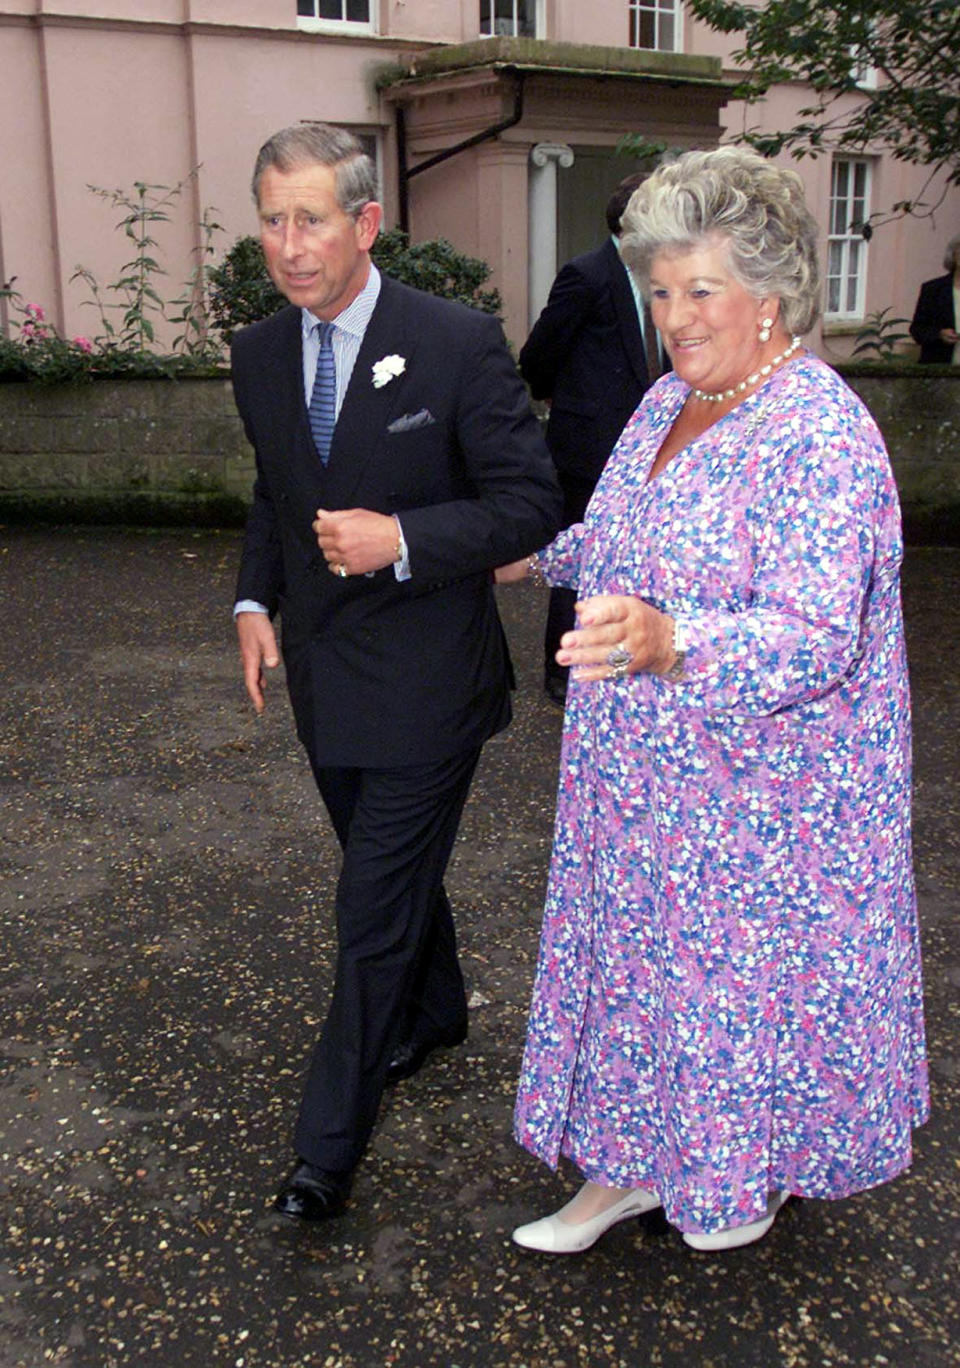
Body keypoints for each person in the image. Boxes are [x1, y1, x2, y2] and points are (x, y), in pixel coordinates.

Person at [498, 147, 929, 1254]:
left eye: (702, 290)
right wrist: (528, 553)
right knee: (634, 976)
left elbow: (817, 634)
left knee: (722, 995)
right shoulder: (665, 402)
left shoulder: (819, 431)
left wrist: (671, 638)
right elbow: (620, 536)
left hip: (754, 798)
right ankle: (622, 1173)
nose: (675, 316)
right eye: (661, 291)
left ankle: (732, 1175)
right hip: (636, 778)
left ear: (770, 295)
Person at [231, 123, 561, 1224]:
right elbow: (276, 497)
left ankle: (325, 1149)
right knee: (395, 871)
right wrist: (250, 602)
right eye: (272, 218)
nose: (288, 243)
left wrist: (404, 539)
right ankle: (437, 1011)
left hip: (429, 687)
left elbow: (530, 505)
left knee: (369, 907)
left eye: (310, 218)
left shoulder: (456, 342)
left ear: (365, 223)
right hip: (326, 686)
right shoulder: (260, 354)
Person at [519, 174, 658, 706]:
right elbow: (538, 357)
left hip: (647, 450)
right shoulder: (588, 275)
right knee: (577, 563)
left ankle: (615, 655)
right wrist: (566, 402)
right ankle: (564, 670)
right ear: (633, 221)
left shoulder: (658, 278)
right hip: (588, 451)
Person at [909, 234, 960, 363]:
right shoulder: (933, 290)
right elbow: (917, 330)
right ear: (953, 255)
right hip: (940, 369)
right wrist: (939, 334)